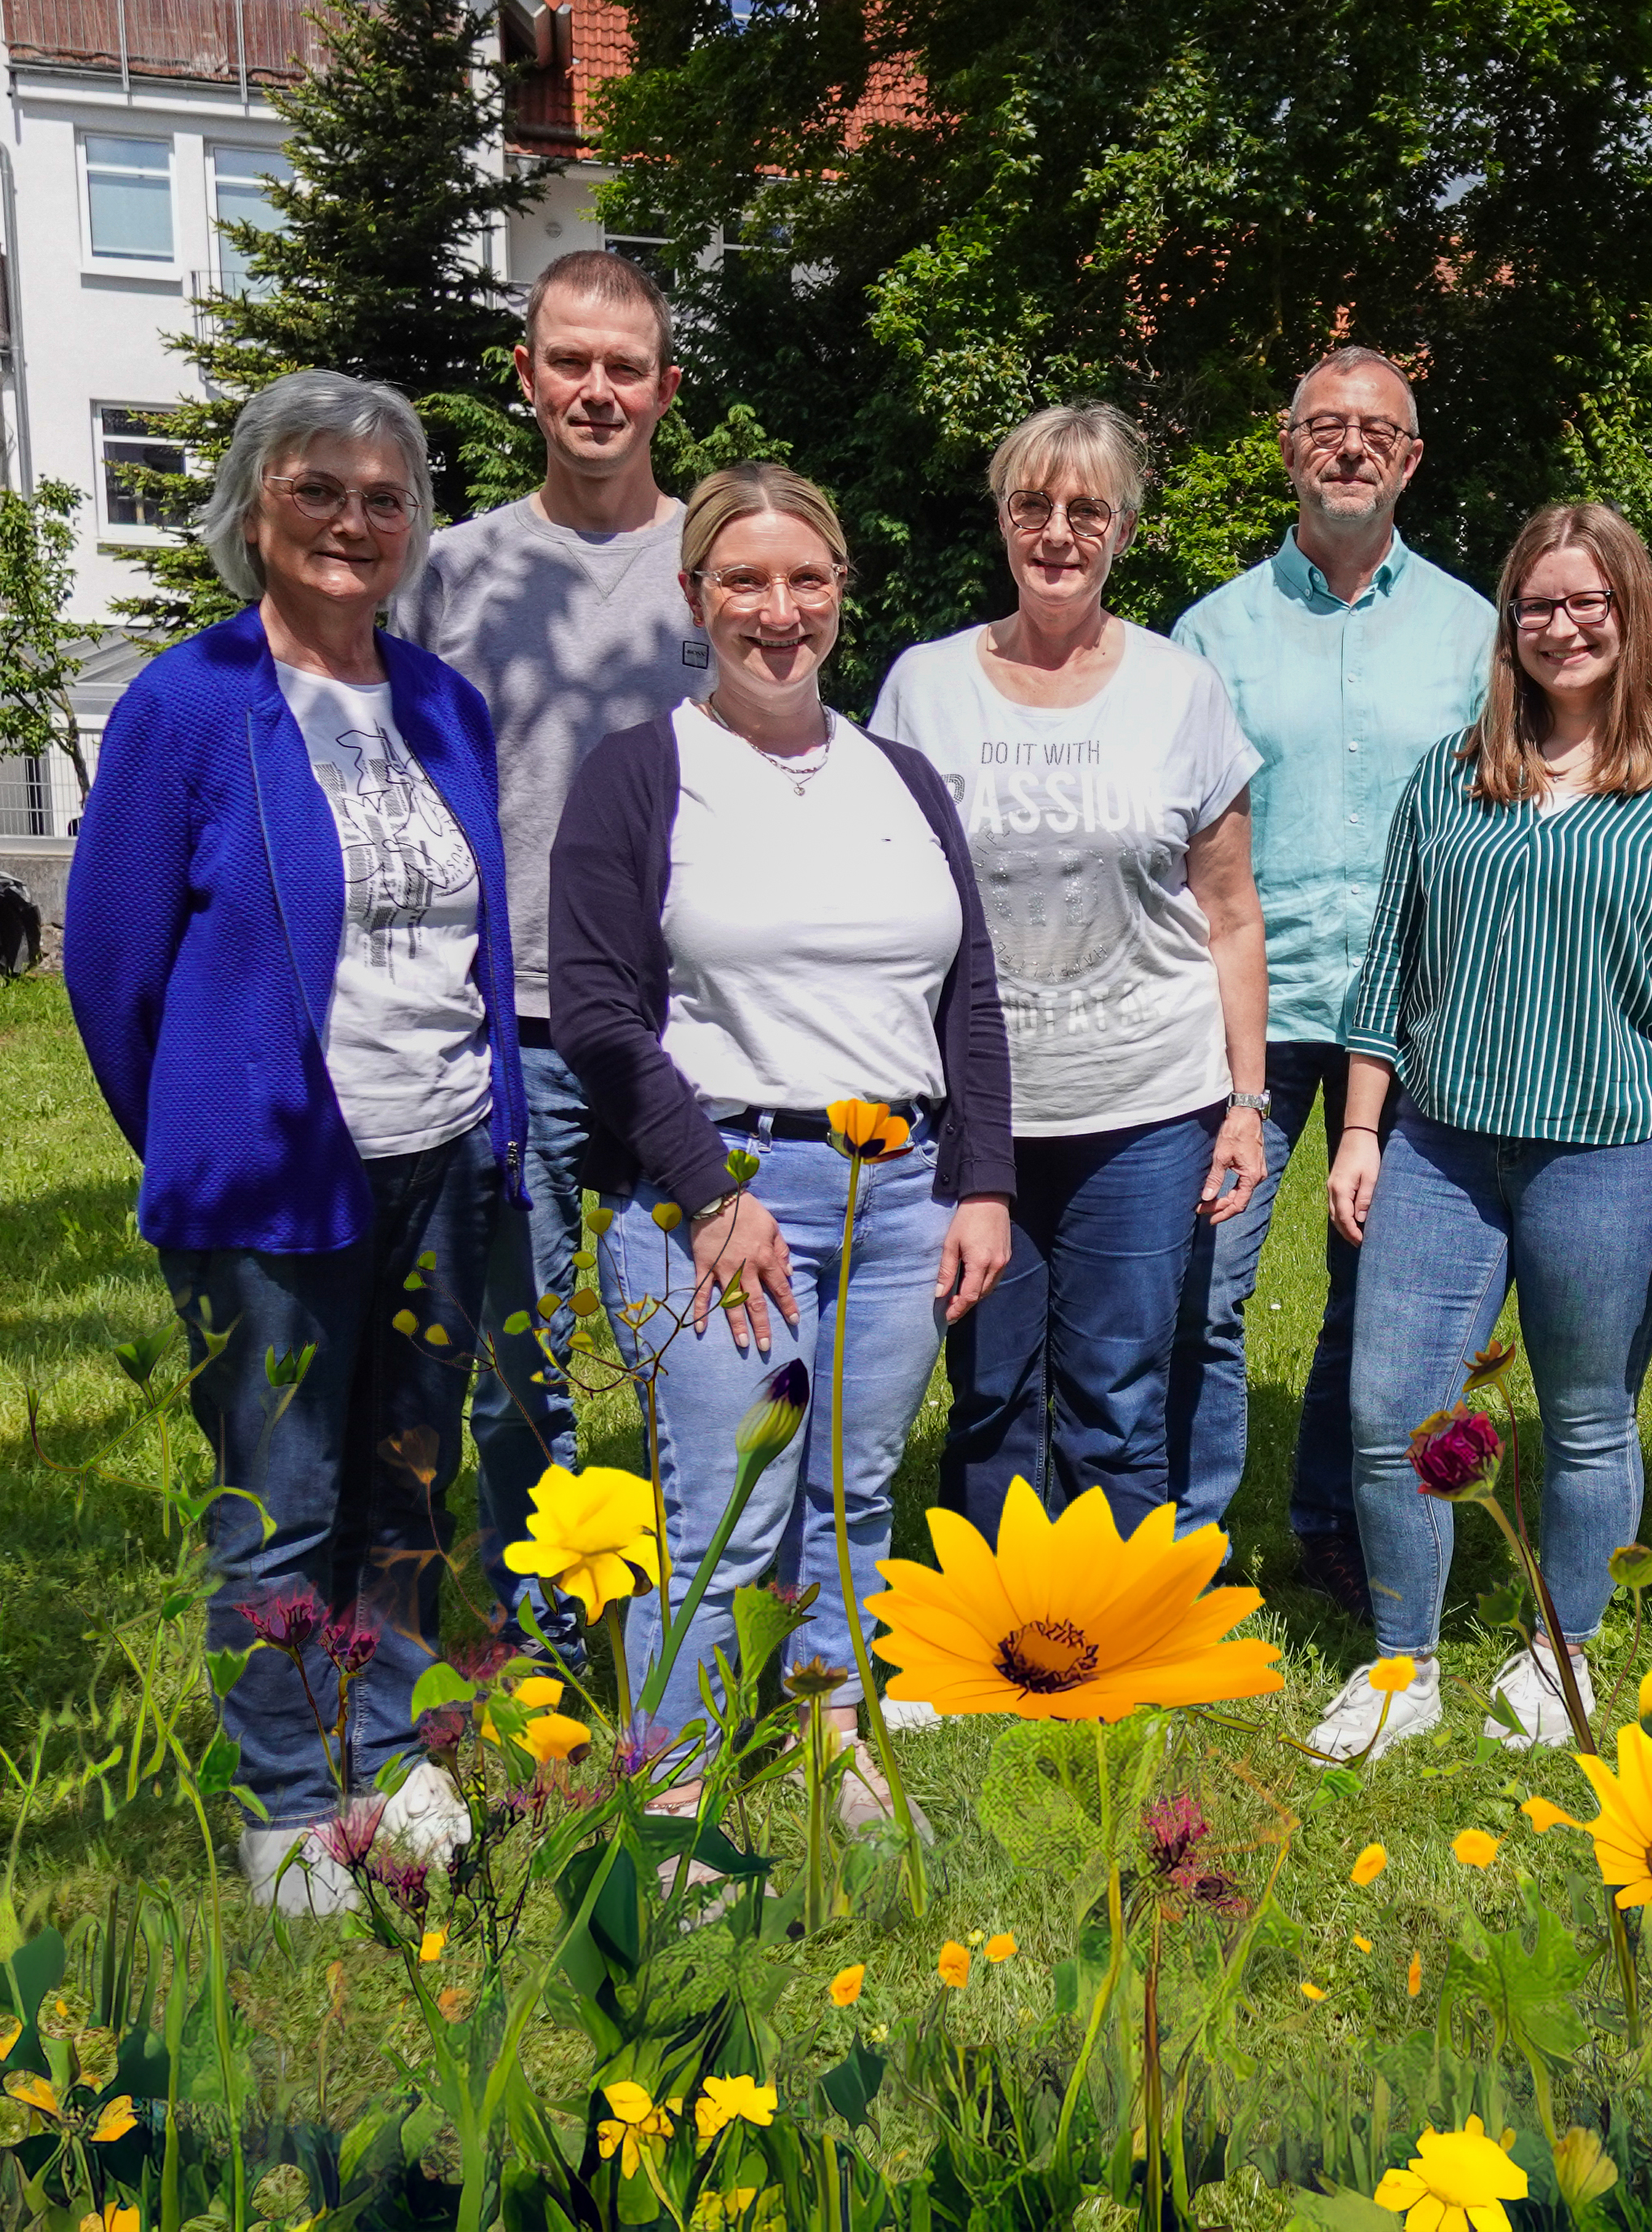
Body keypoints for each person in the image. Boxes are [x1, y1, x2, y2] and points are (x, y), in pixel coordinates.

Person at [65, 369, 526, 1913]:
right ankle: (285, 1795)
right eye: (317, 489)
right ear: (254, 508)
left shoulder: (446, 702)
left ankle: (393, 1756)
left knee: (408, 1470)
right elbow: (114, 968)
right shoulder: (188, 702)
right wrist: (209, 1124)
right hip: (270, 1178)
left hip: (446, 1155)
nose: (352, 520)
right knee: (284, 1492)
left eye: (383, 497)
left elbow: (488, 940)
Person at [550, 461, 1013, 1808]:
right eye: (743, 581)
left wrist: (979, 1183)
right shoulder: (642, 775)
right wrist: (706, 1192)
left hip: (898, 1192)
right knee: (727, 1514)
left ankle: (829, 1731)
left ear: (841, 595)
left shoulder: (902, 777)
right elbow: (592, 1009)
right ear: (695, 597)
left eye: (806, 579)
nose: (777, 609)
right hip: (724, 1194)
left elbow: (967, 992)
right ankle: (679, 1785)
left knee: (851, 1495)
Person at [1314, 501, 1652, 1760]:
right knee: (1388, 1407)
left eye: (1588, 603)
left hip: (1611, 1156)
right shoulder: (1450, 778)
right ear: (1509, 624)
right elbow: (1387, 963)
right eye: (1539, 605)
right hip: (1441, 1148)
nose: (1563, 626)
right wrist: (1359, 1129)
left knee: (1585, 1420)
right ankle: (1402, 1663)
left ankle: (1559, 1646)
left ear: (1630, 615)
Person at [870, 403, 1269, 1530]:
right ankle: (990, 1625)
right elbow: (890, 897)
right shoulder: (922, 686)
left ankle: (1121, 1630)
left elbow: (1231, 912)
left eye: (1085, 510)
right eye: (1032, 506)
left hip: (1144, 1102)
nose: (1057, 532)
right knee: (990, 1388)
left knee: (1116, 1395)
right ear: (1000, 522)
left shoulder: (1179, 688)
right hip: (977, 1107)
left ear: (1124, 531)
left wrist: (1244, 1104)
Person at [394, 249, 707, 1659]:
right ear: (524, 377)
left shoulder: (722, 559)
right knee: (520, 1370)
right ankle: (552, 1643)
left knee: (693, 1349)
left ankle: (696, 1630)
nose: (596, 389)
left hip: (690, 1025)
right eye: (568, 361)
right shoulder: (449, 572)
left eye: (623, 366)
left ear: (665, 388)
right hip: (507, 1020)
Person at [1167, 347, 1494, 1606]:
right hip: (1243, 1020)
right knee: (1203, 1287)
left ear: (1409, 461)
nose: (1348, 447)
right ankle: (1181, 1552)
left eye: (1376, 432)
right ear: (1287, 445)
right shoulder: (1211, 630)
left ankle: (1338, 1529)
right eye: (1324, 427)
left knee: (1380, 1306)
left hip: (1415, 1017)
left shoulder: (1473, 629)